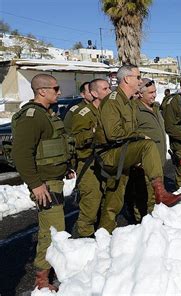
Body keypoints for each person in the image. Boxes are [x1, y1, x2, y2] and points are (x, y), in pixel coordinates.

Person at [97, 65, 181, 233]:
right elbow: (114, 133)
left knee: (114, 202)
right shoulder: (113, 100)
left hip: (123, 153)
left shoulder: (128, 102)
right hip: (111, 154)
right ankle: (161, 193)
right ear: (127, 79)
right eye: (138, 77)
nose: (140, 80)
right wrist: (139, 137)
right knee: (147, 144)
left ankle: (105, 235)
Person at [11, 74, 74, 291]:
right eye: (55, 88)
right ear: (42, 91)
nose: (59, 92)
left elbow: (54, 145)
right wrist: (36, 184)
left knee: (54, 228)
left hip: (53, 180)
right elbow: (21, 154)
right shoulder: (32, 117)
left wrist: (65, 167)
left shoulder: (47, 114)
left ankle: (48, 271)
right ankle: (42, 281)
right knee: (52, 230)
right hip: (44, 185)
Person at [71, 78, 111, 237]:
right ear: (94, 93)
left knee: (106, 204)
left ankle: (102, 238)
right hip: (89, 164)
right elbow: (76, 140)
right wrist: (93, 132)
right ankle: (83, 242)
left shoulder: (108, 111)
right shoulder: (84, 114)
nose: (109, 92)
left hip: (107, 162)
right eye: (105, 89)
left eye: (109, 88)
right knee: (90, 206)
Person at [126, 78, 168, 222]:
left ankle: (153, 221)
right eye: (150, 92)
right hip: (144, 162)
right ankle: (142, 224)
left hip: (158, 160)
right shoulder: (134, 109)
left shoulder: (156, 107)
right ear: (140, 93)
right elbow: (130, 135)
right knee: (144, 196)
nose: (154, 95)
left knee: (156, 195)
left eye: (155, 91)